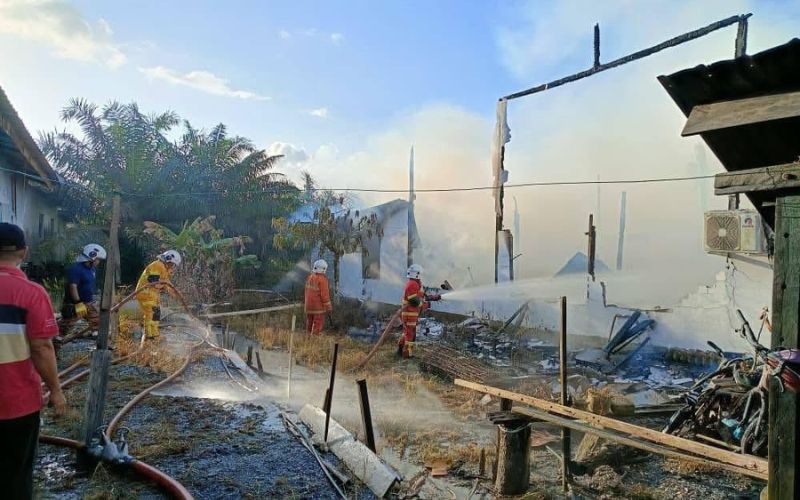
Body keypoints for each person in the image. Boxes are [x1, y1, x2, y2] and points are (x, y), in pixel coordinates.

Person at [0, 223, 66, 499]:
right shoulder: (31, 293)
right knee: (14, 476)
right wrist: (56, 390)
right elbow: (41, 348)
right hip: (15, 404)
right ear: (23, 252)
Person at [58, 243, 106, 338]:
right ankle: (56, 340)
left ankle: (96, 337)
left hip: (88, 302)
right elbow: (73, 286)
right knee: (67, 324)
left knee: (96, 320)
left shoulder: (92, 270)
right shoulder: (76, 269)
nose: (98, 262)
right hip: (74, 303)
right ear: (91, 257)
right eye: (98, 259)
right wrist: (78, 302)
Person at [135, 250, 181, 340]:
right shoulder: (157, 265)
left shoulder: (163, 268)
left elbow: (167, 283)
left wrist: (175, 293)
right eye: (172, 264)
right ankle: (149, 336)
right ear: (168, 260)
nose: (173, 266)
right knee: (150, 314)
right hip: (145, 293)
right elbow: (153, 281)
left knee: (156, 313)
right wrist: (164, 286)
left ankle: (155, 335)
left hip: (151, 294)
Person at [398, 264, 441, 358]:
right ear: (416, 274)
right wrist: (426, 305)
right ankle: (407, 354)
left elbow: (418, 295)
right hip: (410, 314)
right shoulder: (412, 284)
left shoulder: (413, 283)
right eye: (420, 274)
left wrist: (431, 297)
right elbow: (414, 301)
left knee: (406, 332)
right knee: (410, 334)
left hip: (409, 313)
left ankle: (400, 351)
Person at [304, 259, 332, 335]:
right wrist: (328, 307)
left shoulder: (310, 277)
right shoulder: (322, 279)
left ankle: (308, 340)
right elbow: (325, 295)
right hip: (318, 307)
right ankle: (315, 340)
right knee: (317, 324)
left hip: (308, 306)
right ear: (324, 269)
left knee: (309, 323)